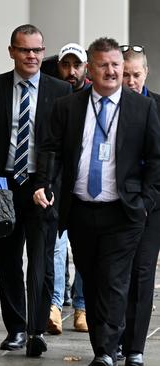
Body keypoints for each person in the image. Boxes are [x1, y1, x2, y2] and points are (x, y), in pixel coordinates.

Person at [34, 37, 160, 366]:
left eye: (116, 65)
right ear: (90, 69)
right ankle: (103, 346)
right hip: (81, 211)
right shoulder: (69, 106)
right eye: (103, 65)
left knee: (117, 280)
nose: (112, 71)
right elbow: (51, 149)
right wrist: (44, 183)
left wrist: (145, 200)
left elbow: (156, 159)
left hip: (124, 210)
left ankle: (107, 350)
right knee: (92, 280)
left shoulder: (142, 108)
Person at [0, 24, 71, 357]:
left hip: (43, 187)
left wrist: (53, 185)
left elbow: (65, 145)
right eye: (25, 50)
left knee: (42, 261)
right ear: (12, 51)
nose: (32, 56)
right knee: (8, 260)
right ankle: (15, 328)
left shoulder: (60, 91)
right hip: (5, 185)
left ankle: (36, 330)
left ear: (44, 52)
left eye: (38, 50)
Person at [118, 44, 160, 366]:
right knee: (116, 274)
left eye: (136, 74)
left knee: (143, 273)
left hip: (153, 204)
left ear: (146, 73)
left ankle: (135, 347)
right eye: (125, 74)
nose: (130, 80)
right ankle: (114, 339)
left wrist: (148, 200)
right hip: (118, 201)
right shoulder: (110, 107)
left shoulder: (157, 106)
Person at [48, 42, 90, 335]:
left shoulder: (94, 97)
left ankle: (82, 307)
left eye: (77, 65)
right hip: (57, 184)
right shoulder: (52, 95)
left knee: (85, 251)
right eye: (66, 65)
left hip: (86, 186)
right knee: (56, 247)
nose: (71, 71)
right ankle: (53, 306)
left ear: (85, 67)